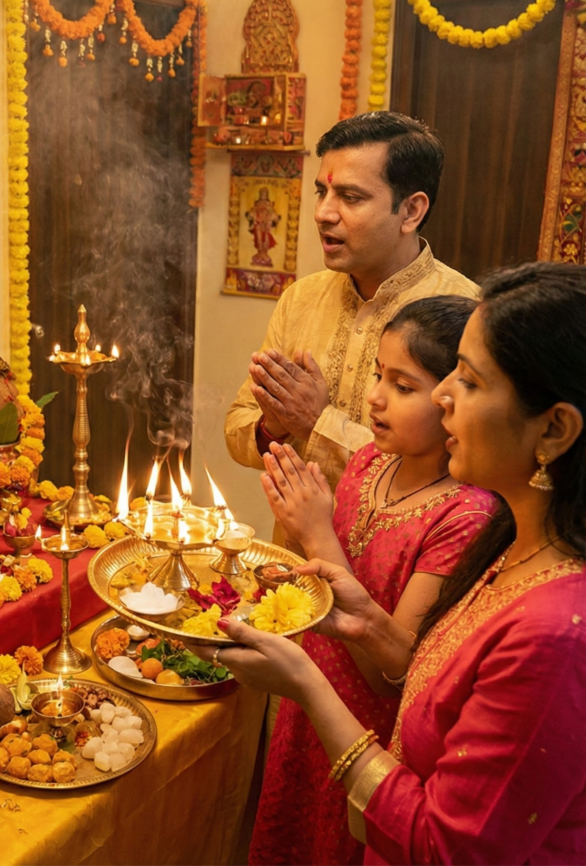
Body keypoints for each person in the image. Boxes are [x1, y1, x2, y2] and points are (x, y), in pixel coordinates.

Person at [211, 262, 586, 864]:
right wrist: (355, 613)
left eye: (467, 380)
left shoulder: (556, 634)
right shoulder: (513, 548)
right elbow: (417, 662)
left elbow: (443, 846)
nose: (442, 397)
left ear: (554, 429)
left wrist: (307, 683)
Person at [247, 296, 497, 865]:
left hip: (367, 733)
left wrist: (315, 534)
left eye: (403, 387)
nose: (375, 397)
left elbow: (395, 672)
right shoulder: (368, 463)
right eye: (379, 375)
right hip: (307, 705)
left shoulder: (465, 515)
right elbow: (323, 585)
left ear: (454, 400)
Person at [225, 111, 478, 490]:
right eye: (321, 192)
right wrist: (273, 424)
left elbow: (461, 472)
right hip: (294, 548)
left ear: (411, 211)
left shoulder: (468, 315)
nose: (323, 213)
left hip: (408, 549)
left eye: (350, 197)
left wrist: (316, 423)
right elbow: (237, 431)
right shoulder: (302, 298)